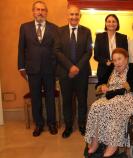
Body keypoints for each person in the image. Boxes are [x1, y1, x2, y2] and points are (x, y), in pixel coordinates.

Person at [85, 48, 133, 157]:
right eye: (114, 60)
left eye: (119, 59)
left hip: (126, 99)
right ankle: (95, 141)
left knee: (112, 107)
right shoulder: (110, 70)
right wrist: (103, 86)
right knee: (95, 106)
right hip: (109, 97)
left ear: (126, 59)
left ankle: (113, 144)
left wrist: (130, 86)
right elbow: (100, 83)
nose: (117, 62)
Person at [18, 1, 58, 137]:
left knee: (50, 98)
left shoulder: (54, 28)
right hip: (32, 70)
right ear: (33, 11)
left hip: (49, 70)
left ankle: (52, 123)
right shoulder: (24, 27)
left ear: (46, 12)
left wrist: (56, 68)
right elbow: (21, 49)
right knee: (35, 98)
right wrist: (21, 67)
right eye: (37, 9)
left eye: (43, 10)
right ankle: (39, 125)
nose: (40, 12)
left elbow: (56, 50)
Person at [55, 5, 92, 138]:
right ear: (67, 16)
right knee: (67, 101)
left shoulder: (86, 32)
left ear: (80, 16)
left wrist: (76, 68)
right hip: (65, 73)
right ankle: (68, 126)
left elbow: (88, 52)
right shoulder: (59, 31)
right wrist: (70, 67)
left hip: (81, 73)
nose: (74, 17)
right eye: (71, 14)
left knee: (82, 100)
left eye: (76, 14)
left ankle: (82, 125)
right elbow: (57, 51)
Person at [94, 14, 128, 81]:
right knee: (104, 91)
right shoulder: (99, 37)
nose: (111, 23)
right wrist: (106, 61)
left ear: (117, 23)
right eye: (109, 21)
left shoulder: (123, 37)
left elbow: (126, 54)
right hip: (103, 71)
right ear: (106, 23)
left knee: (118, 91)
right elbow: (96, 55)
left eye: (114, 21)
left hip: (119, 71)